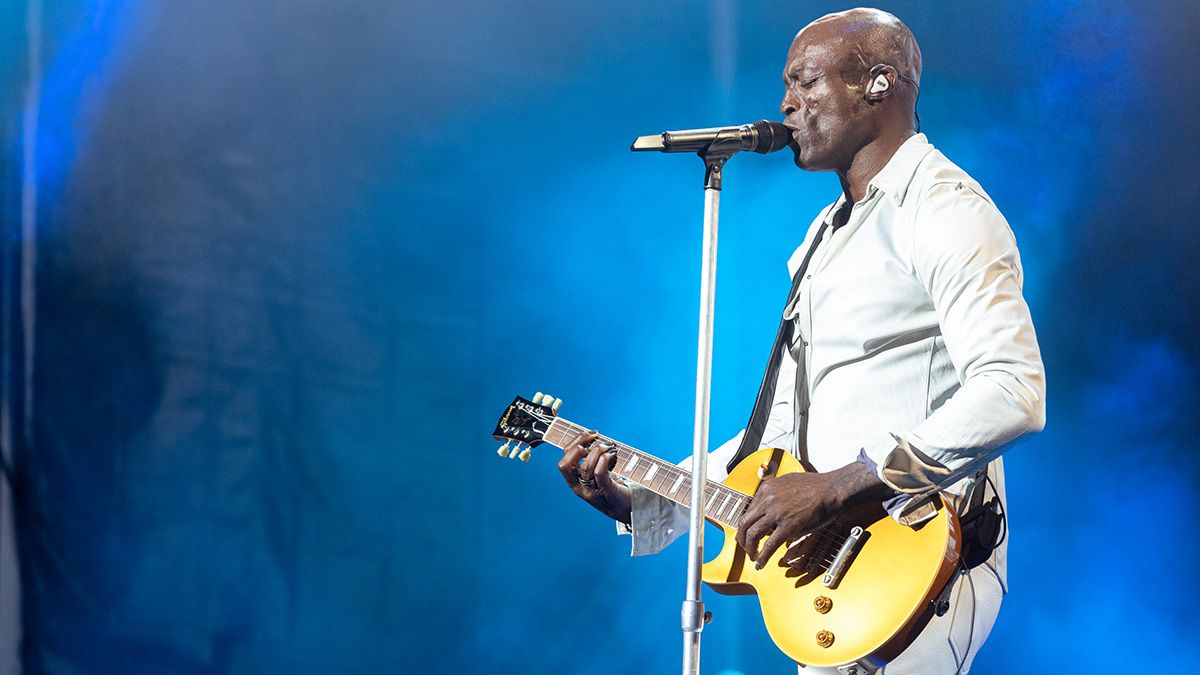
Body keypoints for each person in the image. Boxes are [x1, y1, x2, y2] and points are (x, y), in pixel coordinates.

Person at [557, 8, 1046, 674]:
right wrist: (644, 497)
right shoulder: (821, 237)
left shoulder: (947, 209)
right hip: (834, 574)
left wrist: (842, 484)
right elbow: (776, 437)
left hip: (918, 552)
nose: (786, 103)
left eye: (807, 82)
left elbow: (1013, 391)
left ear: (880, 83)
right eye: (786, 85)